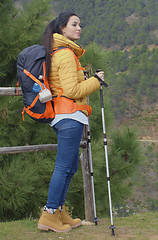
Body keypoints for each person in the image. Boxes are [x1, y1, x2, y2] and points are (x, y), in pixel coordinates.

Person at [37, 12, 106, 233]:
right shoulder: (65, 54)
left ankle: (58, 210)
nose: (79, 28)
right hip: (68, 116)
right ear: (62, 29)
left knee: (70, 167)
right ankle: (49, 214)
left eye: (80, 24)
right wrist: (97, 81)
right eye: (74, 24)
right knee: (64, 167)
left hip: (68, 115)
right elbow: (71, 91)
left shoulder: (60, 52)